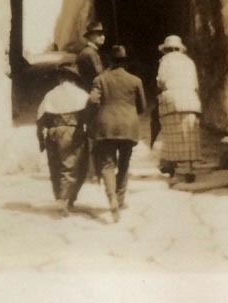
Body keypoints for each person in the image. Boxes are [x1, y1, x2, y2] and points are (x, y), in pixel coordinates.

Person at [87, 45, 146, 223]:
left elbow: (93, 100)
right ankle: (120, 199)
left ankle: (111, 197)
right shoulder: (135, 80)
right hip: (129, 127)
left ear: (110, 62)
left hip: (106, 127)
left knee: (107, 164)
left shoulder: (100, 79)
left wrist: (95, 114)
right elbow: (142, 107)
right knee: (124, 163)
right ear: (125, 62)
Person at [36, 61, 91, 217]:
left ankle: (61, 197)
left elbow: (40, 119)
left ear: (61, 78)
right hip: (72, 132)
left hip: (53, 132)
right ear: (73, 78)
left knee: (55, 166)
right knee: (73, 166)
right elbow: (89, 117)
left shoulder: (50, 94)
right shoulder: (81, 94)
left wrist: (41, 140)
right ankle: (66, 199)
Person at [155, 35, 203, 184]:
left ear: (166, 49)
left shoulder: (165, 61)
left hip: (173, 101)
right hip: (191, 100)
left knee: (173, 136)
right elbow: (195, 84)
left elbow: (161, 81)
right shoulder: (189, 61)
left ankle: (175, 169)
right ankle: (189, 170)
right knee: (189, 136)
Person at [75, 21, 106, 92]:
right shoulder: (90, 53)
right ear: (90, 36)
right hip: (91, 91)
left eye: (103, 34)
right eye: (99, 34)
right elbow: (100, 75)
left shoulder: (89, 51)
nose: (103, 37)